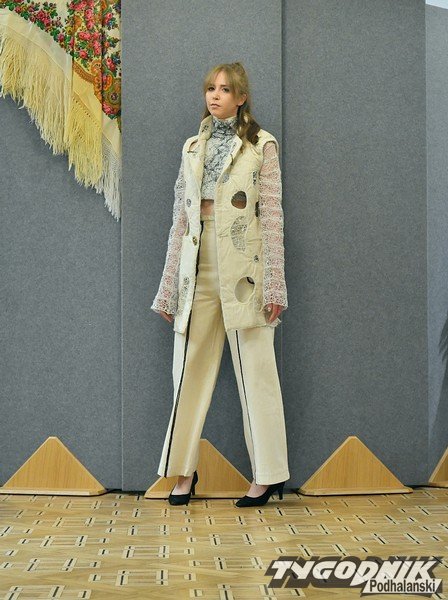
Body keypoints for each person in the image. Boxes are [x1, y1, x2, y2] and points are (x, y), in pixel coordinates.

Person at [151, 61, 290, 507]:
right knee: (188, 370)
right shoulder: (192, 147)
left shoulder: (262, 145)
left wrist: (275, 285)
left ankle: (268, 476)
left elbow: (272, 218)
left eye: (225, 89)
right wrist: (168, 287)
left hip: (245, 267)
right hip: (197, 264)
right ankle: (182, 471)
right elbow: (179, 220)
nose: (215, 95)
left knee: (257, 372)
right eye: (210, 88)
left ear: (241, 97)